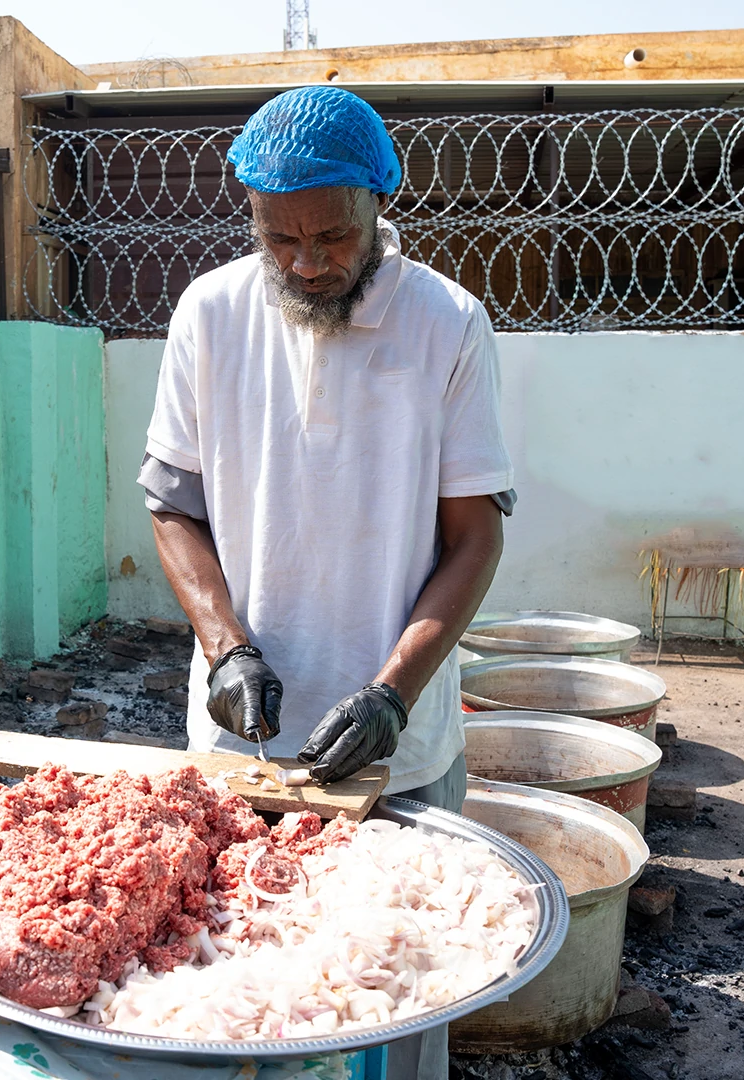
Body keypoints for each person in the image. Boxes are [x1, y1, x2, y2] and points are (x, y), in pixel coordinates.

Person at [142, 85, 514, 816]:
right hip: (237, 752)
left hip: (397, 756)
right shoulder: (210, 313)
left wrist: (390, 697)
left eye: (333, 237)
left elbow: (474, 541)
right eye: (280, 239)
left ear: (379, 203)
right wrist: (225, 651)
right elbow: (172, 509)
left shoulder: (450, 322)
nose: (307, 264)